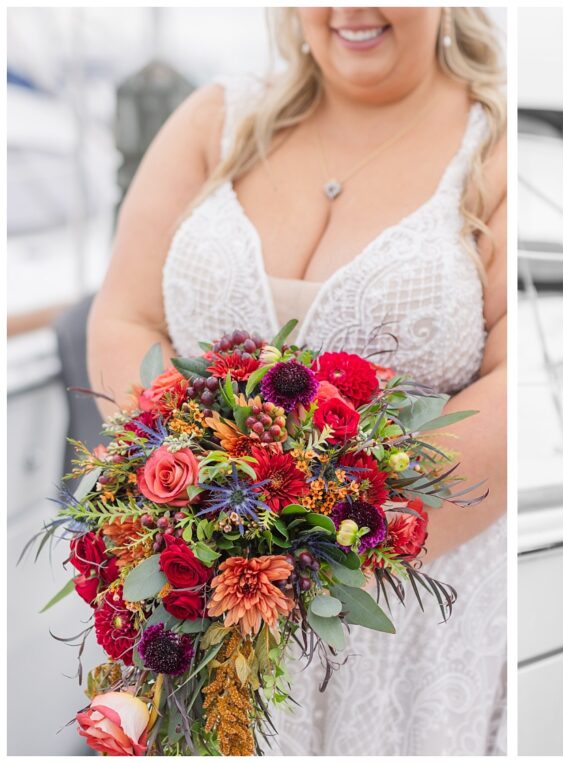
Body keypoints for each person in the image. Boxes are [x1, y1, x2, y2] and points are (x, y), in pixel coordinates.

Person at [86, 7, 507, 755]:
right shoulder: (215, 119)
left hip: (408, 615)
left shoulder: (500, 140)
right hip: (205, 609)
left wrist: (316, 546)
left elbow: (514, 382)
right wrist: (183, 496)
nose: (350, 10)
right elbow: (124, 314)